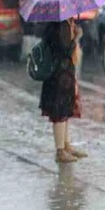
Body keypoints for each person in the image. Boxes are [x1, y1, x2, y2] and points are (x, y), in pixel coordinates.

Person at [39, 17, 87, 163]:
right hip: (60, 76)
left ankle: (66, 146)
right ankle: (60, 151)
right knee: (59, 112)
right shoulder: (62, 26)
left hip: (60, 75)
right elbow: (66, 50)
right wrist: (77, 36)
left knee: (64, 110)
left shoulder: (57, 24)